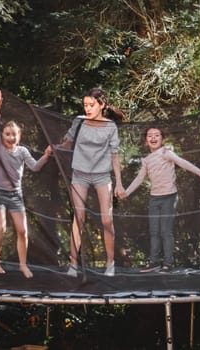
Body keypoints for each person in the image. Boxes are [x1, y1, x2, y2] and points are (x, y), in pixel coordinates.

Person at [47, 87, 126, 277]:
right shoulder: (79, 122)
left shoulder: (110, 127)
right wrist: (55, 147)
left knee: (107, 219)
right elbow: (68, 143)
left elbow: (115, 156)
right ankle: (73, 265)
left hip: (101, 175)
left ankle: (110, 263)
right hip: (80, 174)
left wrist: (119, 183)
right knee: (79, 218)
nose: (88, 108)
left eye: (91, 105)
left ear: (102, 105)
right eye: (85, 105)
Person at [120, 127, 200, 272]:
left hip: (169, 197)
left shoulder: (166, 152)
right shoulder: (147, 160)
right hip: (154, 199)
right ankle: (154, 261)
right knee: (154, 231)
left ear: (162, 139)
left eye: (157, 135)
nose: (153, 138)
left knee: (165, 231)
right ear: (146, 141)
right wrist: (126, 192)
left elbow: (182, 162)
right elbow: (139, 178)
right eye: (150, 136)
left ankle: (168, 263)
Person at [0, 89, 51, 278]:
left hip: (15, 194)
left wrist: (47, 155)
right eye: (7, 134)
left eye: (14, 134)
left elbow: (35, 167)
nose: (11, 137)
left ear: (19, 136)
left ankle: (23, 265)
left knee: (22, 231)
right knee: (1, 228)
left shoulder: (22, 151)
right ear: (2, 136)